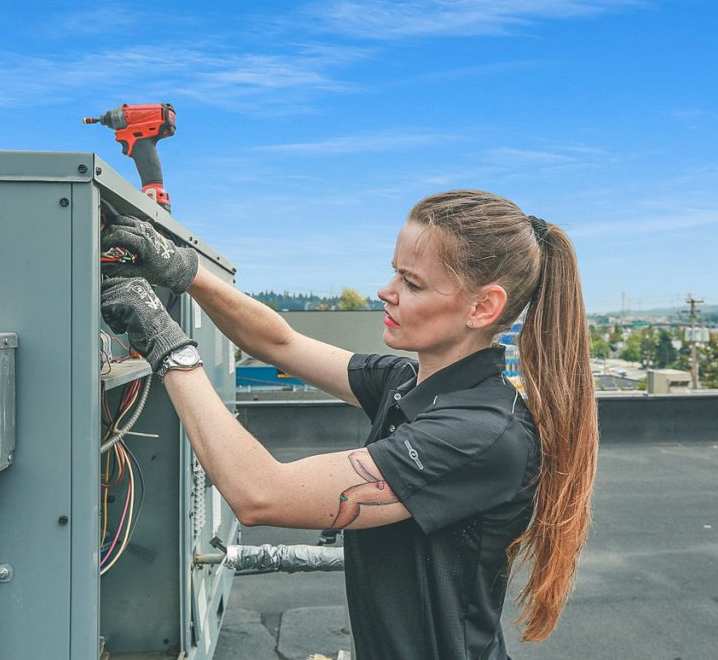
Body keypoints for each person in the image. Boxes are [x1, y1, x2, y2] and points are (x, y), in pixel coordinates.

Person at [100, 190, 599, 659]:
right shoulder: (409, 380)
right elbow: (281, 344)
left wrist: (169, 347)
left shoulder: (480, 433)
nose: (386, 291)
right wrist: (186, 271)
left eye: (412, 282)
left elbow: (260, 494)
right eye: (394, 273)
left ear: (483, 306)